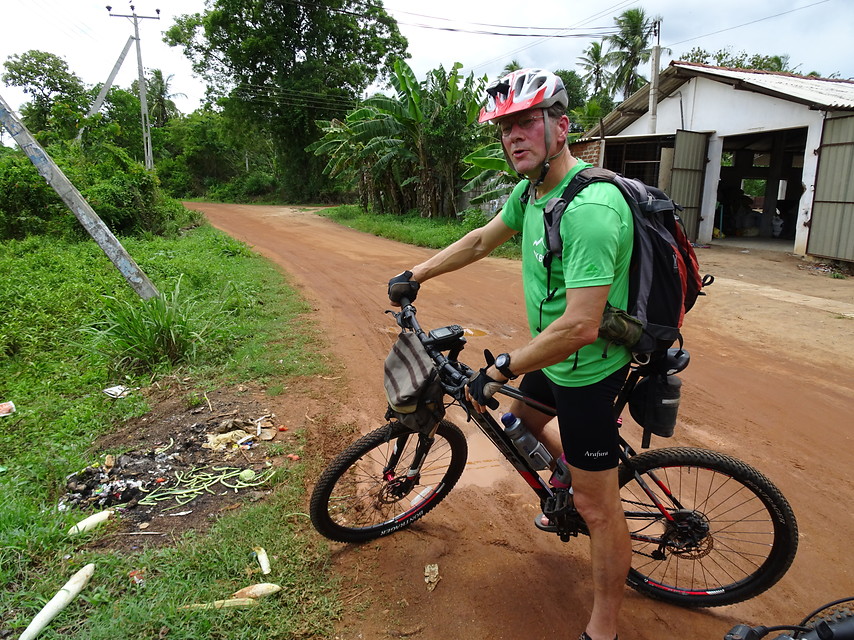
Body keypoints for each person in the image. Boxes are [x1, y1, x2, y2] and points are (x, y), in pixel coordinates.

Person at [387, 68, 634, 640]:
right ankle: (571, 477)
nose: (513, 137)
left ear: (561, 127)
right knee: (519, 418)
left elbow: (580, 326)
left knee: (599, 510)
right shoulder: (533, 193)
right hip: (555, 359)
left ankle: (603, 627)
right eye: (505, 128)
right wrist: (416, 274)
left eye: (526, 123)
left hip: (589, 370)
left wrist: (502, 367)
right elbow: (480, 239)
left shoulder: (590, 211)